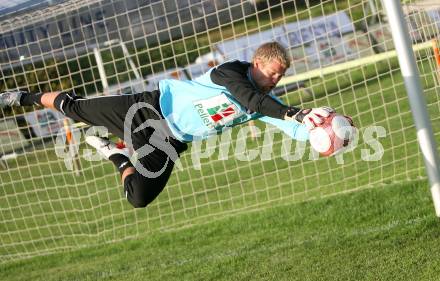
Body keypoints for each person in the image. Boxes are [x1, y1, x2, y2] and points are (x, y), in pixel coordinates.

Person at [0, 42, 334, 208]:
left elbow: (283, 121)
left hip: (167, 143)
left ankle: (115, 155)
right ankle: (25, 96)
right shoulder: (231, 72)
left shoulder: (262, 99)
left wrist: (319, 135)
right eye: (272, 72)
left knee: (138, 198)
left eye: (281, 75)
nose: (276, 79)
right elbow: (257, 103)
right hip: (145, 110)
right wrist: (296, 112)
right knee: (73, 108)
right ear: (257, 63)